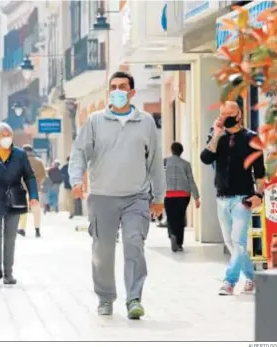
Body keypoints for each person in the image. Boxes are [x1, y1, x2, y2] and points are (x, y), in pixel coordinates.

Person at [69, 71, 166, 319]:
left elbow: (155, 161)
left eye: (123, 87)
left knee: (134, 242)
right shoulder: (94, 121)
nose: (117, 91)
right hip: (102, 196)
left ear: (132, 92)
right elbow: (80, 152)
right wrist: (77, 180)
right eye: (113, 87)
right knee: (103, 250)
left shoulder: (145, 122)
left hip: (137, 196)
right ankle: (105, 297)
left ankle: (134, 298)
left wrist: (159, 197)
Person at [200, 100, 265, 296]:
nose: (226, 118)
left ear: (239, 115)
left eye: (230, 114)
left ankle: (229, 281)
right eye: (222, 114)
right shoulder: (216, 136)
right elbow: (205, 158)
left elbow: (260, 171)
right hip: (222, 197)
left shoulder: (251, 138)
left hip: (242, 197)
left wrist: (259, 194)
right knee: (232, 243)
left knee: (238, 241)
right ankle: (252, 277)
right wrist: (216, 134)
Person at [0, 122, 39, 285]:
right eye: (3, 136)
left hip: (15, 199)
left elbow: (29, 176)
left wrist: (33, 195)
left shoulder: (20, 154)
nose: (6, 139)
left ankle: (8, 273)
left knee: (10, 238)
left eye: (8, 135)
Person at [164, 142, 201, 252]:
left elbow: (160, 179)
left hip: (169, 194)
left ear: (171, 150)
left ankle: (172, 235)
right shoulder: (186, 164)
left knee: (170, 218)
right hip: (183, 195)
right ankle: (179, 243)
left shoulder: (165, 162)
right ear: (181, 151)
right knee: (180, 218)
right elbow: (191, 180)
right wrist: (196, 197)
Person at [18, 144, 46, 238]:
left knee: (23, 209)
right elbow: (43, 175)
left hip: (23, 189)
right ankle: (37, 229)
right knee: (36, 210)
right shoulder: (39, 162)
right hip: (35, 189)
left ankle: (22, 229)